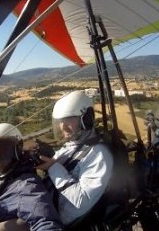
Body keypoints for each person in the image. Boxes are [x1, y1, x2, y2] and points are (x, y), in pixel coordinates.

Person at [36, 91, 114, 226]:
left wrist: (52, 167)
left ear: (86, 119)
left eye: (69, 119)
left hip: (57, 219)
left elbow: (80, 202)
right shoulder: (74, 145)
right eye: (61, 121)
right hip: (45, 205)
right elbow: (61, 165)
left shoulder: (99, 154)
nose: (62, 126)